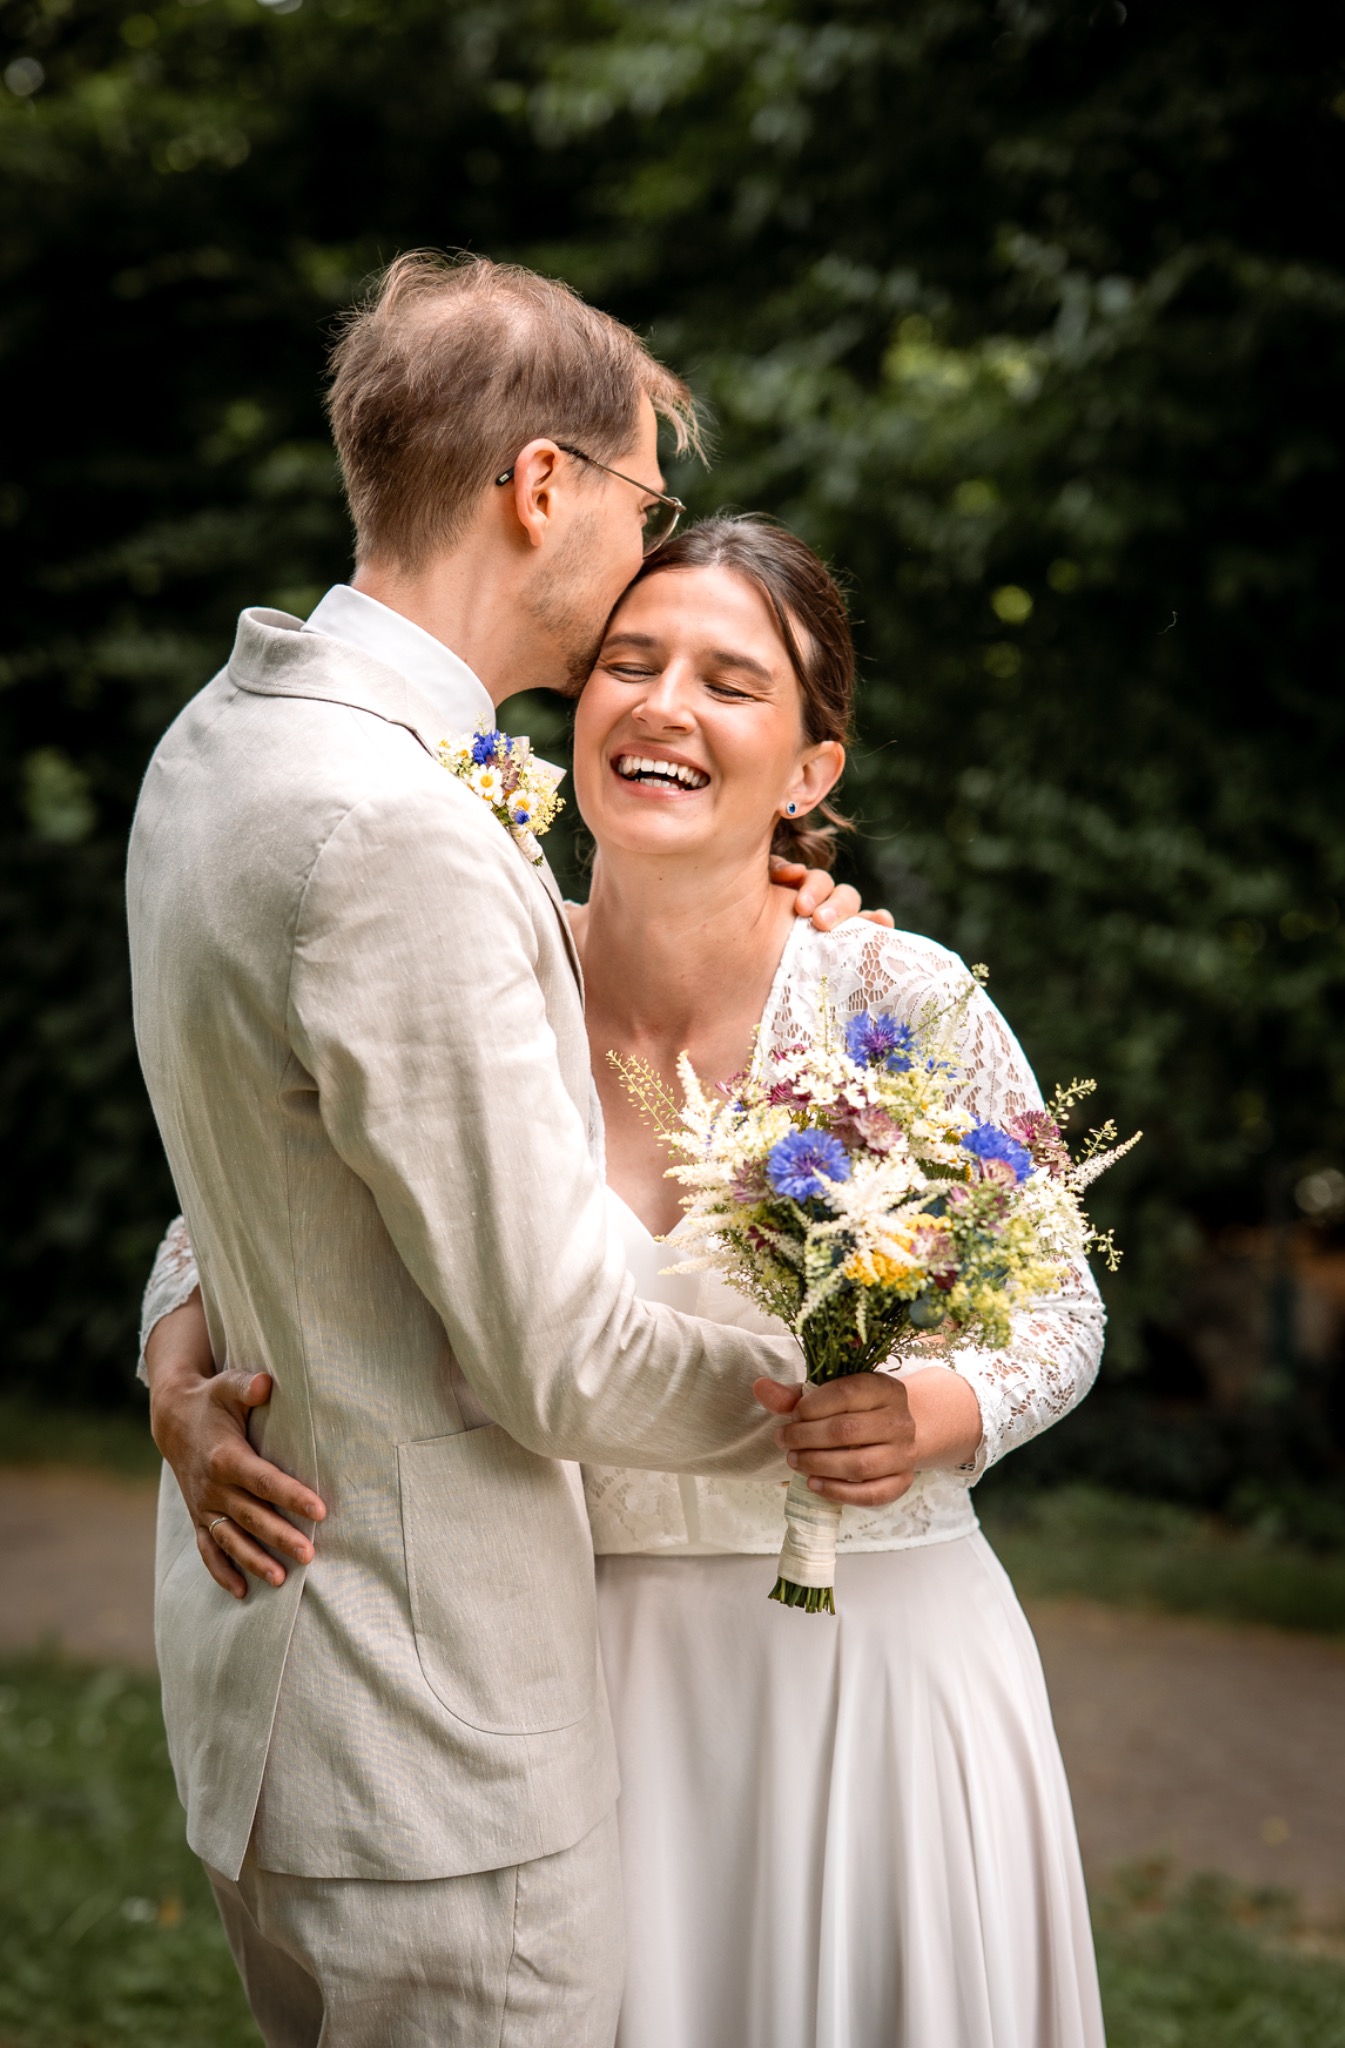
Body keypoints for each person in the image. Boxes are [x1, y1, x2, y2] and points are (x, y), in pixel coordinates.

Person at [146, 506, 1109, 2044]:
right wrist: (174, 1372)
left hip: (867, 1673)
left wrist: (939, 1406)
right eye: (628, 662)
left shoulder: (898, 995)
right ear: (575, 709)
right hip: (551, 1675)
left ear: (811, 773)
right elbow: (238, 1205)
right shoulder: (477, 955)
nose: (664, 704)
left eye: (730, 682)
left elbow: (1061, 1302)